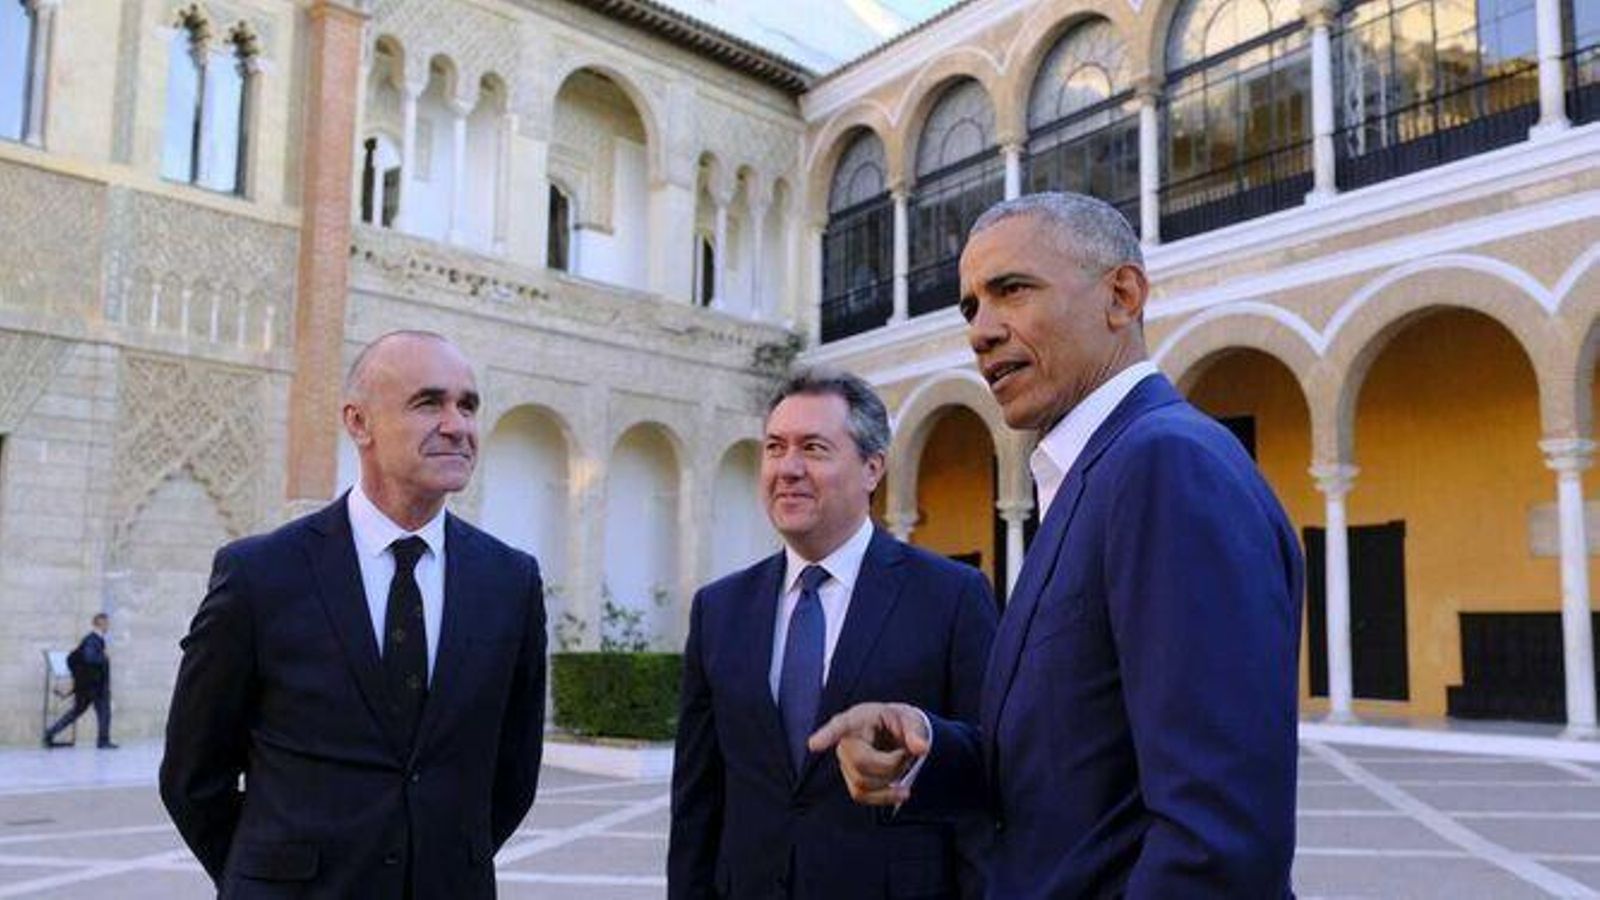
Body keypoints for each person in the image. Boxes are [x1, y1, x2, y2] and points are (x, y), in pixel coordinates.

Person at [810, 193, 1304, 898]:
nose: (980, 330)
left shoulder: (1165, 467)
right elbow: (1078, 772)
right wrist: (923, 747)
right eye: (970, 308)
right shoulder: (1091, 476)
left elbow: (1217, 843)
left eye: (1010, 290)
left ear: (1122, 296)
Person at [160, 330, 547, 899]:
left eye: (467, 405)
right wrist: (266, 878)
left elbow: (513, 773)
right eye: (428, 402)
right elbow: (193, 777)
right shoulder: (260, 575)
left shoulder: (510, 582)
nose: (457, 425)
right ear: (359, 423)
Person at [669, 368, 998, 899]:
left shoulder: (951, 597)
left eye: (814, 448)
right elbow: (697, 802)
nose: (788, 468)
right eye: (775, 447)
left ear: (872, 469)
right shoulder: (719, 609)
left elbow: (985, 777)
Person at [44, 613, 116, 749]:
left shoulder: (96, 639)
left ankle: (50, 732)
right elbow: (90, 658)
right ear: (99, 623)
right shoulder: (92, 639)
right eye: (105, 622)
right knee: (103, 712)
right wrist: (104, 657)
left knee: (77, 712)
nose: (108, 625)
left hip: (90, 686)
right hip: (95, 686)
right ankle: (103, 741)